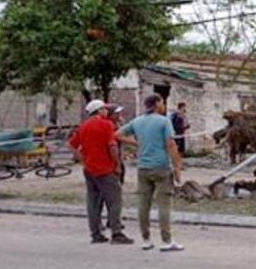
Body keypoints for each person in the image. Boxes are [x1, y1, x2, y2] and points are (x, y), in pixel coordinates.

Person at [119, 94, 184, 252]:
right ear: (156, 103)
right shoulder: (163, 121)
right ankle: (166, 240)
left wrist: (137, 143)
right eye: (162, 102)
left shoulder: (137, 121)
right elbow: (171, 145)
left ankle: (146, 239)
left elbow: (118, 134)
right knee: (164, 204)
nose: (164, 105)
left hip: (143, 168)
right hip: (161, 167)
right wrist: (177, 168)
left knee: (143, 204)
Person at [68, 100, 133, 245]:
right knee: (114, 200)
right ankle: (116, 232)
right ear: (99, 110)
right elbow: (112, 146)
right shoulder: (106, 124)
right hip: (105, 169)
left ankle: (95, 233)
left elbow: (72, 145)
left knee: (93, 202)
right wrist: (117, 164)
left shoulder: (83, 127)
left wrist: (82, 159)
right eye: (104, 108)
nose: (106, 111)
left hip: (89, 169)